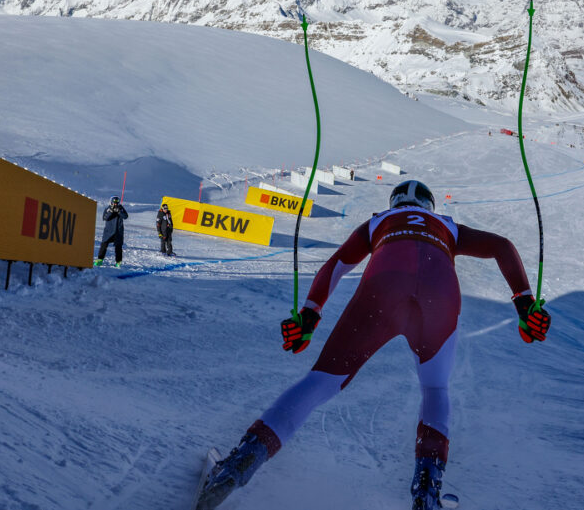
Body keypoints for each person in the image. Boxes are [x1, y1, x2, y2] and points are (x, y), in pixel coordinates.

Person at [195, 180, 551, 510]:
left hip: (385, 283)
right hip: (439, 292)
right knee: (435, 387)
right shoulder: (448, 225)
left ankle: (241, 463)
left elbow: (336, 265)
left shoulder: (379, 221)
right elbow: (503, 246)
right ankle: (427, 491)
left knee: (319, 382)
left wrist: (309, 316)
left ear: (394, 202)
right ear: (429, 204)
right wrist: (523, 303)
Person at [94, 196, 128, 267]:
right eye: (114, 203)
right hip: (108, 231)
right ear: (111, 202)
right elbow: (105, 218)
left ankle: (118, 262)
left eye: (117, 203)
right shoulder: (108, 209)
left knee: (118, 247)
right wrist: (111, 212)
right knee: (104, 245)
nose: (115, 204)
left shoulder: (120, 208)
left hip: (118, 231)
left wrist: (119, 212)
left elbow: (125, 216)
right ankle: (100, 260)